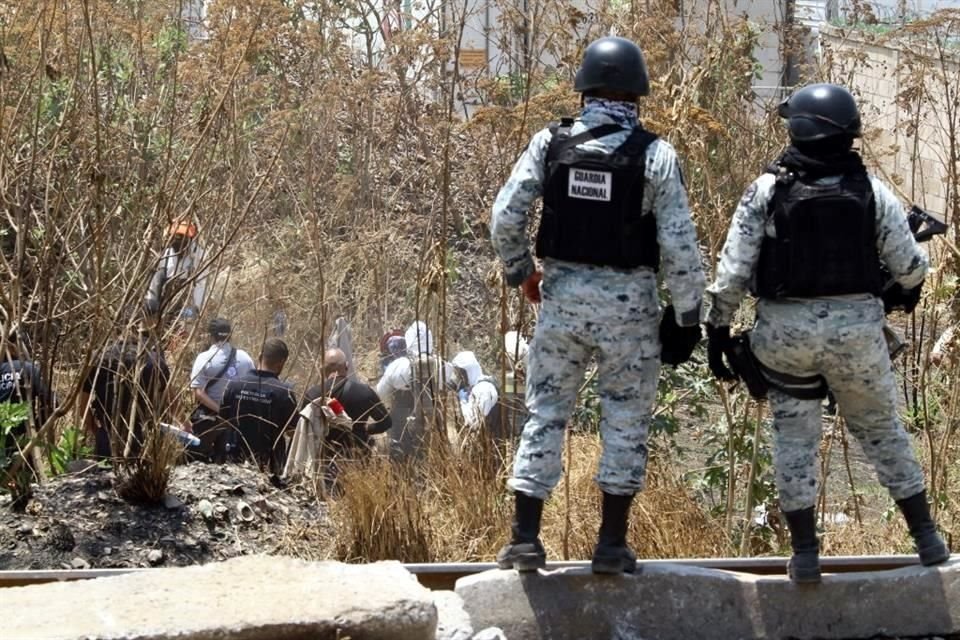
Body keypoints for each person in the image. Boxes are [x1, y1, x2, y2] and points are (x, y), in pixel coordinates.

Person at [705, 83, 949, 583]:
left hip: (783, 343)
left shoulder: (767, 190)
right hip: (857, 339)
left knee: (794, 441)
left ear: (797, 128)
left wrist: (716, 333)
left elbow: (731, 274)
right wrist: (893, 289)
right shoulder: (872, 191)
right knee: (882, 432)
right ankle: (927, 539)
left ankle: (806, 554)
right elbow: (910, 267)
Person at [490, 36, 706, 574]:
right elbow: (679, 247)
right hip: (630, 311)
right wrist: (686, 318)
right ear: (638, 94)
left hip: (561, 303)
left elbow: (504, 219)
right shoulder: (656, 154)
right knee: (626, 421)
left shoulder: (550, 143)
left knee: (544, 414)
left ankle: (524, 539)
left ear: (583, 87)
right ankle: (610, 545)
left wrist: (524, 274)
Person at [79, 316, 170, 459]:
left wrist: (95, 430)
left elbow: (82, 404)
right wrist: (184, 424)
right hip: (144, 435)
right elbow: (170, 399)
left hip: (107, 433)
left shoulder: (100, 359)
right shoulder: (155, 361)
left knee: (105, 478)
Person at [376, 321, 454, 460]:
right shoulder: (444, 366)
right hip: (433, 423)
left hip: (402, 423)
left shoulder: (399, 366)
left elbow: (381, 393)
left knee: (401, 459)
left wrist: (389, 407)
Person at [219, 337, 298, 475]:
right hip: (270, 465)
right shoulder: (284, 392)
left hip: (235, 460)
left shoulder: (234, 385)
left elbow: (222, 421)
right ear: (281, 363)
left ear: (260, 356)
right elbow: (292, 431)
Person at [302, 348, 392, 456]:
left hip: (324, 457)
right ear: (347, 366)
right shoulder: (364, 391)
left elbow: (302, 428)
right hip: (358, 457)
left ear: (322, 370)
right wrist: (366, 429)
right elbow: (386, 422)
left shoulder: (312, 394)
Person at [188, 318, 255, 459]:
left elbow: (198, 392)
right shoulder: (245, 358)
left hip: (209, 417)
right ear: (230, 335)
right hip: (236, 419)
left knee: (197, 459)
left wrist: (220, 410)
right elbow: (252, 386)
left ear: (210, 336)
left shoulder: (204, 358)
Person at [1, 325, 54, 475]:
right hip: (24, 441)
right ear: (14, 346)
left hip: (2, 443)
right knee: (26, 486)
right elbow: (52, 403)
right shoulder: (29, 369)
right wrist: (36, 427)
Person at [145, 219, 208, 324]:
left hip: (186, 303)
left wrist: (196, 308)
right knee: (157, 276)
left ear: (190, 238)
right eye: (175, 237)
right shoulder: (166, 254)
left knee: (186, 317)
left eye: (181, 237)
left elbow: (201, 285)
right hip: (164, 300)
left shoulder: (199, 256)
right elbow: (157, 279)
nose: (177, 240)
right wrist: (151, 301)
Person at [451, 351, 501, 436]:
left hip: (490, 443)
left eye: (461, 373)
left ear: (469, 371)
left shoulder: (483, 389)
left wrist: (463, 401)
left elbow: (473, 422)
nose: (460, 377)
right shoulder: (477, 387)